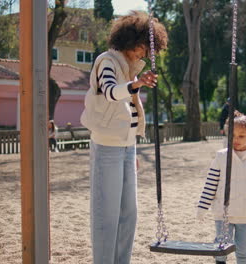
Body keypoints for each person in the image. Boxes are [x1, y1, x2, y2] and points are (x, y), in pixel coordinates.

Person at [79, 11, 168, 264]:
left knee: (129, 212)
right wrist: (136, 84)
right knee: (106, 213)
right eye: (143, 48)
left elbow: (126, 112)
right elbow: (109, 92)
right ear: (132, 41)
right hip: (107, 147)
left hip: (127, 147)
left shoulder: (128, 68)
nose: (144, 54)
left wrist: (134, 149)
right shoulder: (106, 61)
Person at [197, 114, 246, 264]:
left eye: (241, 136)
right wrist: (202, 208)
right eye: (233, 135)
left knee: (244, 251)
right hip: (223, 213)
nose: (236, 139)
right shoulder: (221, 157)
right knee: (221, 248)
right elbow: (210, 184)